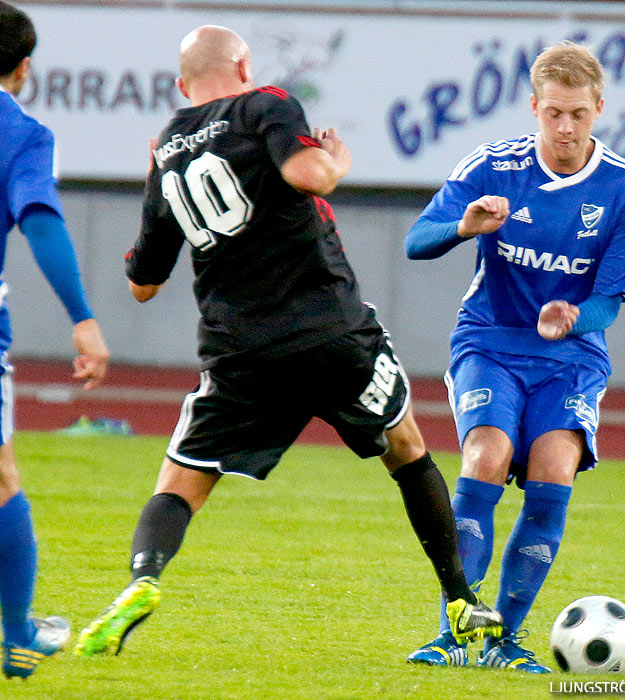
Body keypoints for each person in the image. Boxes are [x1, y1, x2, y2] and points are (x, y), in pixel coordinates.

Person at [75, 24, 501, 658]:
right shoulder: (267, 103)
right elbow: (311, 176)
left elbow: (143, 283)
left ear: (181, 86)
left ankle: (142, 580)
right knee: (408, 451)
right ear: (244, 65)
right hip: (331, 330)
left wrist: (154, 194)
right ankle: (462, 600)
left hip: (240, 350)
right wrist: (337, 160)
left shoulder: (167, 148)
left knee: (179, 483)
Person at [404, 41, 625, 672]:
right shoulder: (492, 168)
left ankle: (506, 641)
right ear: (533, 107)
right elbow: (416, 241)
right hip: (489, 339)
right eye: (553, 114)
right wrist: (465, 227)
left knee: (552, 476)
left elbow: (610, 300)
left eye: (578, 114)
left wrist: (574, 316)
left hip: (571, 354)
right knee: (486, 455)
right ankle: (454, 630)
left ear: (599, 108)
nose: (565, 128)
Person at [0, 1, 110, 680]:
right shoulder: (21, 132)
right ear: (24, 67)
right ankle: (16, 635)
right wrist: (83, 317)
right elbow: (40, 220)